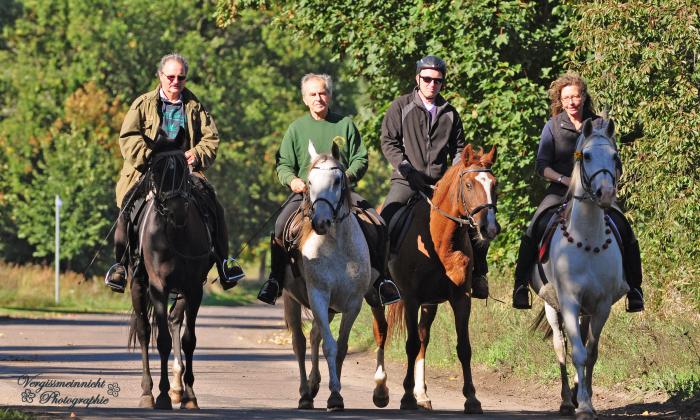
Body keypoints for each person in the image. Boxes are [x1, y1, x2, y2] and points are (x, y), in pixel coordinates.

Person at [257, 73, 401, 306]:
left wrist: (345, 176)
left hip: (341, 192)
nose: (318, 98)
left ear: (330, 96)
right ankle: (275, 280)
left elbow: (360, 159)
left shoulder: (345, 125)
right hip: (307, 194)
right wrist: (292, 180)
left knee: (377, 222)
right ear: (304, 99)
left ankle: (382, 280)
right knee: (281, 223)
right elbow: (283, 163)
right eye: (312, 94)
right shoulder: (296, 129)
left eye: (323, 93)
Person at [105, 53, 243, 292]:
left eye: (181, 77)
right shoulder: (142, 104)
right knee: (127, 207)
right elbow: (128, 137)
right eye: (170, 76)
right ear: (160, 76)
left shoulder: (195, 106)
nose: (175, 82)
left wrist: (196, 154)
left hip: (185, 172)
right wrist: (151, 156)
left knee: (213, 203)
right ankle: (120, 266)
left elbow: (211, 138)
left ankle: (224, 263)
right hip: (147, 170)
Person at [511, 71, 644, 312]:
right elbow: (542, 166)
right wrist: (565, 179)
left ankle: (635, 289)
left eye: (576, 96)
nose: (571, 102)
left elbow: (615, 162)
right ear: (560, 101)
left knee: (624, 226)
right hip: (560, 189)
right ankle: (520, 284)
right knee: (536, 224)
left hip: (596, 193)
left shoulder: (600, 125)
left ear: (583, 97)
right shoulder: (552, 127)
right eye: (566, 98)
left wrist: (609, 184)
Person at [380, 55, 491, 299]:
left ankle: (479, 274)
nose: (432, 84)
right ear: (417, 78)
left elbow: (460, 149)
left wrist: (451, 176)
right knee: (385, 219)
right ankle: (382, 279)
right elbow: (388, 143)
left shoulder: (450, 112)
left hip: (443, 185)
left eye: (438, 81)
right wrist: (406, 169)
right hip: (406, 180)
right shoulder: (400, 106)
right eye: (427, 79)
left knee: (478, 217)